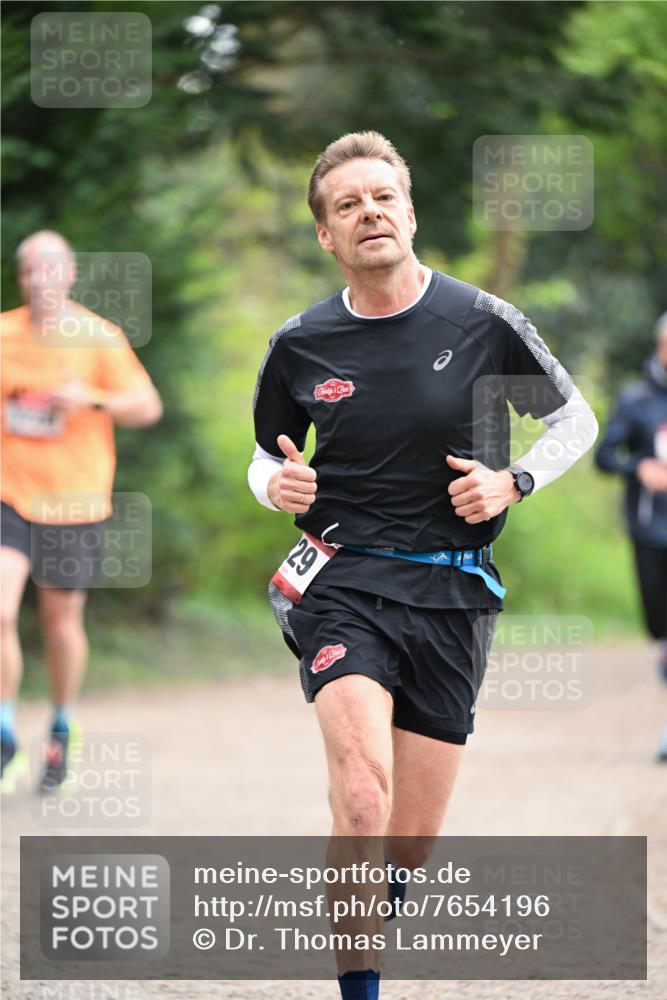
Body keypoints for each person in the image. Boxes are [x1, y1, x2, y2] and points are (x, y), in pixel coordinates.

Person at [248, 132, 598, 998]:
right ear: (325, 235)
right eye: (346, 204)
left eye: (381, 197)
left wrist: (511, 481)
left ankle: (369, 909)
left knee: (406, 843)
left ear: (409, 212)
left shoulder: (480, 322)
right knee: (362, 801)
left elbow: (575, 423)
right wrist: (277, 486)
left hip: (451, 591)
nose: (367, 212)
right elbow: (262, 457)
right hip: (342, 583)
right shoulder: (303, 342)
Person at [0, 230, 163, 793]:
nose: (40, 279)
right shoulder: (3, 334)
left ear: (68, 276)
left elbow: (147, 407)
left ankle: (61, 726)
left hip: (74, 501)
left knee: (59, 623)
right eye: (29, 270)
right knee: (0, 609)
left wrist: (90, 400)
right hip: (10, 493)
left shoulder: (99, 336)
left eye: (51, 269)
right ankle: (3, 736)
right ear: (21, 278)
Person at [595, 312, 667, 761]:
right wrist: (638, 468)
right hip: (652, 531)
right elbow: (605, 456)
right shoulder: (636, 398)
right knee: (662, 634)